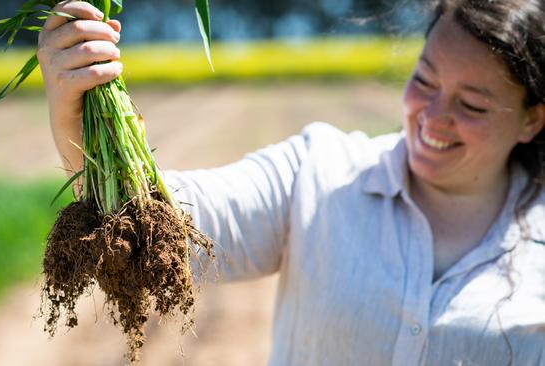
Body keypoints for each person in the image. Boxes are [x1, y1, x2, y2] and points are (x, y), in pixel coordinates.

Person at [37, 0, 545, 364]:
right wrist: (74, 116)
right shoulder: (319, 172)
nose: (433, 116)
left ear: (531, 119)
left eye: (472, 104)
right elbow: (168, 227)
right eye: (425, 81)